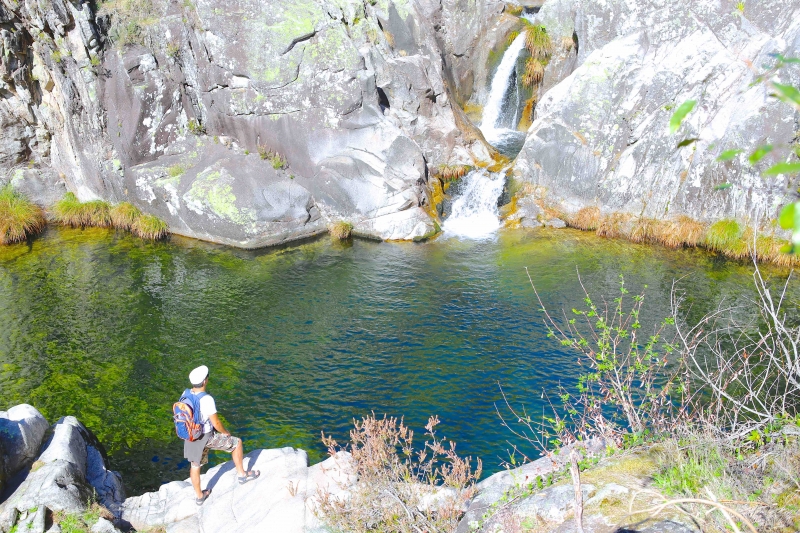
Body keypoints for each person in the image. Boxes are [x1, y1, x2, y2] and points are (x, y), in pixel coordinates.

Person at [183, 365, 260, 505]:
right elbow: (216, 423)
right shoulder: (207, 399)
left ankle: (200, 496)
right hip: (206, 436)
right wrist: (225, 433)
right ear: (205, 381)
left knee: (195, 466)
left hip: (191, 436)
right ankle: (242, 475)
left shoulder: (185, 394)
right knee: (237, 443)